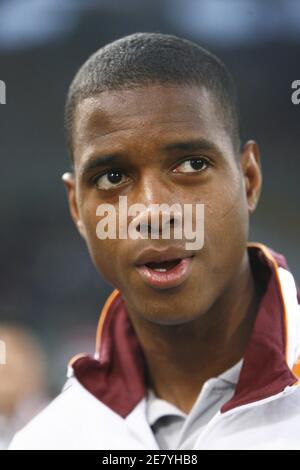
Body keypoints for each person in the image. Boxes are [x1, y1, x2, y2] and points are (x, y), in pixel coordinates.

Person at [9, 32, 300, 450]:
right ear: (76, 208)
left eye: (191, 164)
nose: (152, 211)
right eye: (112, 177)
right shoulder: (47, 441)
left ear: (249, 180)